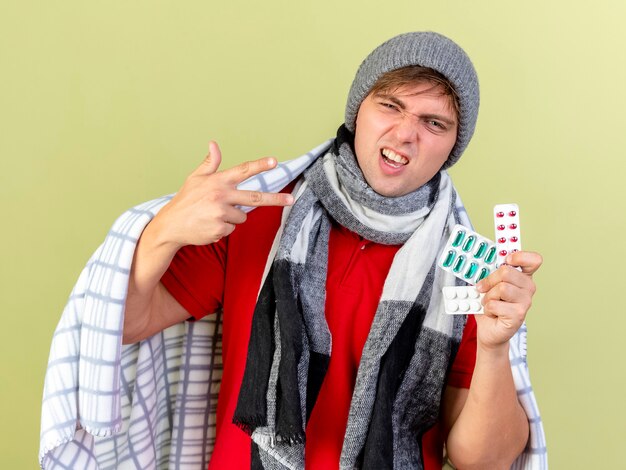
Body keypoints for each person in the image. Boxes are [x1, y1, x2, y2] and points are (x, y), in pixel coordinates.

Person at [122, 32, 542, 469]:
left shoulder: (472, 270)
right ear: (357, 111)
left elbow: (484, 462)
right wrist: (164, 232)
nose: (405, 134)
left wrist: (495, 348)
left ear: (453, 146)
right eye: (390, 105)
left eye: (433, 123)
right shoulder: (260, 213)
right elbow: (130, 322)